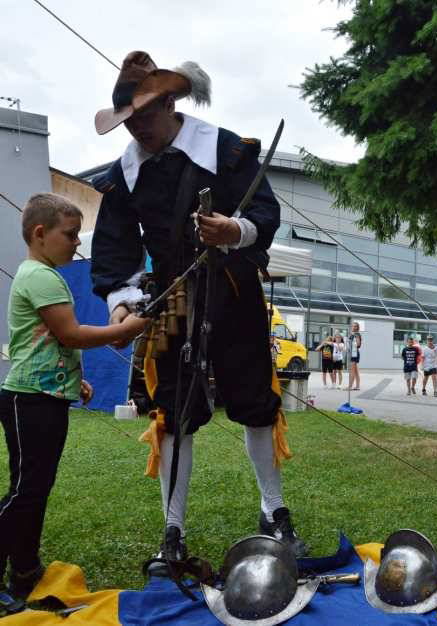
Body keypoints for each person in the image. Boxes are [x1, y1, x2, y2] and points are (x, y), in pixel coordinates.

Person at [90, 51, 307, 566]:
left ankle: (273, 511)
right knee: (173, 411)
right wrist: (121, 304)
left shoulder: (224, 149)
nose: (137, 130)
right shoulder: (124, 172)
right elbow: (115, 243)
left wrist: (236, 231)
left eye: (144, 116)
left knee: (256, 397)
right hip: (170, 298)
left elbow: (264, 211)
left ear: (169, 102)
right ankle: (173, 531)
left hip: (233, 286)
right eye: (128, 122)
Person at [0, 194, 147, 611]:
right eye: (69, 235)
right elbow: (70, 334)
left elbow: (47, 341)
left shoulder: (40, 273)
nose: (75, 244)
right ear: (40, 234)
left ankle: (25, 570)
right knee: (27, 493)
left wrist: (74, 379)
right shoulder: (41, 277)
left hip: (43, 395)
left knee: (33, 489)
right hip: (31, 400)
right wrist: (125, 327)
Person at [348, 321, 362, 391]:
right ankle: (357, 386)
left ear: (357, 327)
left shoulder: (357, 334)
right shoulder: (352, 334)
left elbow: (358, 344)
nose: (353, 327)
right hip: (352, 353)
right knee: (356, 371)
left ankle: (350, 386)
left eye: (355, 326)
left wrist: (355, 340)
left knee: (352, 371)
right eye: (353, 326)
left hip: (355, 353)